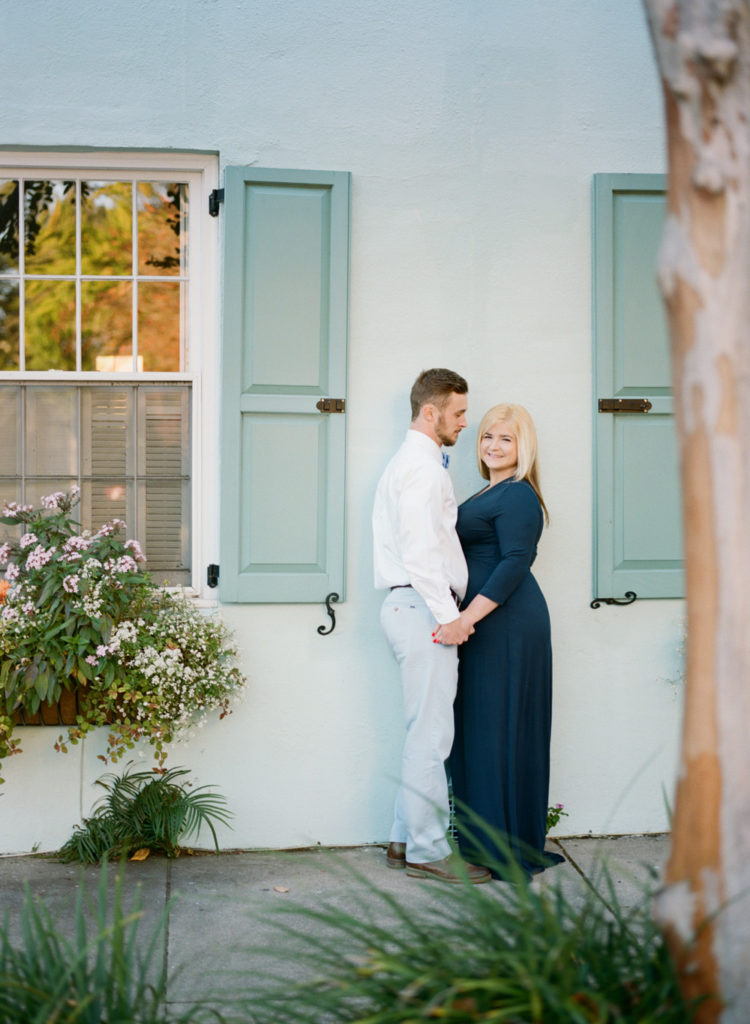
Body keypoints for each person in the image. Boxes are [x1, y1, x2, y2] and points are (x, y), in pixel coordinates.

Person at [373, 368, 490, 884]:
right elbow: (422, 553)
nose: (465, 423)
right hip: (424, 610)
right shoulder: (423, 471)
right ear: (431, 412)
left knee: (423, 731)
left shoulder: (411, 465)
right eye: (459, 413)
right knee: (433, 735)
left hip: (413, 608)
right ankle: (426, 849)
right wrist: (451, 619)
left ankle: (403, 838)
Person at [437, 403, 564, 879]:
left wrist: (465, 619)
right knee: (480, 731)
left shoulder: (517, 496)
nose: (492, 445)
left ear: (523, 447)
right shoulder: (489, 491)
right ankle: (480, 844)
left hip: (507, 624)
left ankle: (499, 851)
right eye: (488, 436)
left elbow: (515, 561)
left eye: (505, 439)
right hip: (486, 624)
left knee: (498, 731)